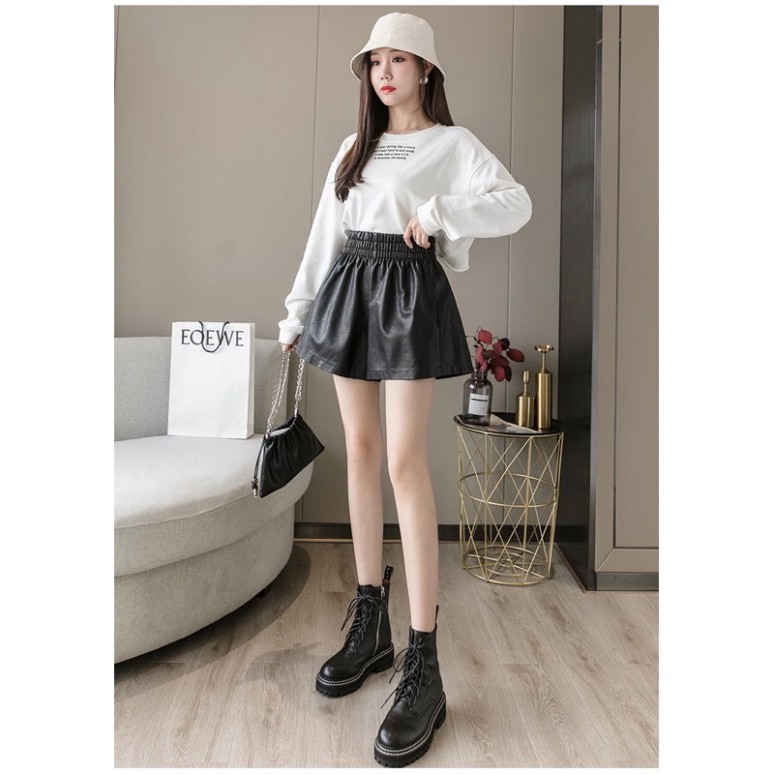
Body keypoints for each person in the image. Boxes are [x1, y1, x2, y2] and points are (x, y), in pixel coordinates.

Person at [277, 12, 532, 767]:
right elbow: (324, 236)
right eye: (374, 61)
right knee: (359, 453)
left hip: (409, 294)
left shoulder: (452, 145)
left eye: (398, 59)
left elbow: (514, 201)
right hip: (350, 288)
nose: (384, 73)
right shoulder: (353, 147)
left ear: (426, 69)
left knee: (403, 464)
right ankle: (370, 626)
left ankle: (425, 660)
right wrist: (296, 312)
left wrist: (443, 212)